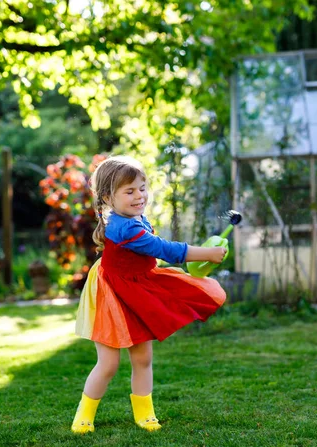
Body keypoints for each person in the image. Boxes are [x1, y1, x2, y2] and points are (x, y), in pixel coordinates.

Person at [71, 155, 227, 434]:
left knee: (143, 358)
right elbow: (163, 250)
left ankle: (145, 413)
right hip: (110, 295)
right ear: (108, 197)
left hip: (137, 290)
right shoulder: (123, 226)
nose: (139, 196)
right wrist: (207, 253)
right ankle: (84, 414)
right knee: (108, 363)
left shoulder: (135, 216)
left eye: (142, 188)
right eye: (129, 191)